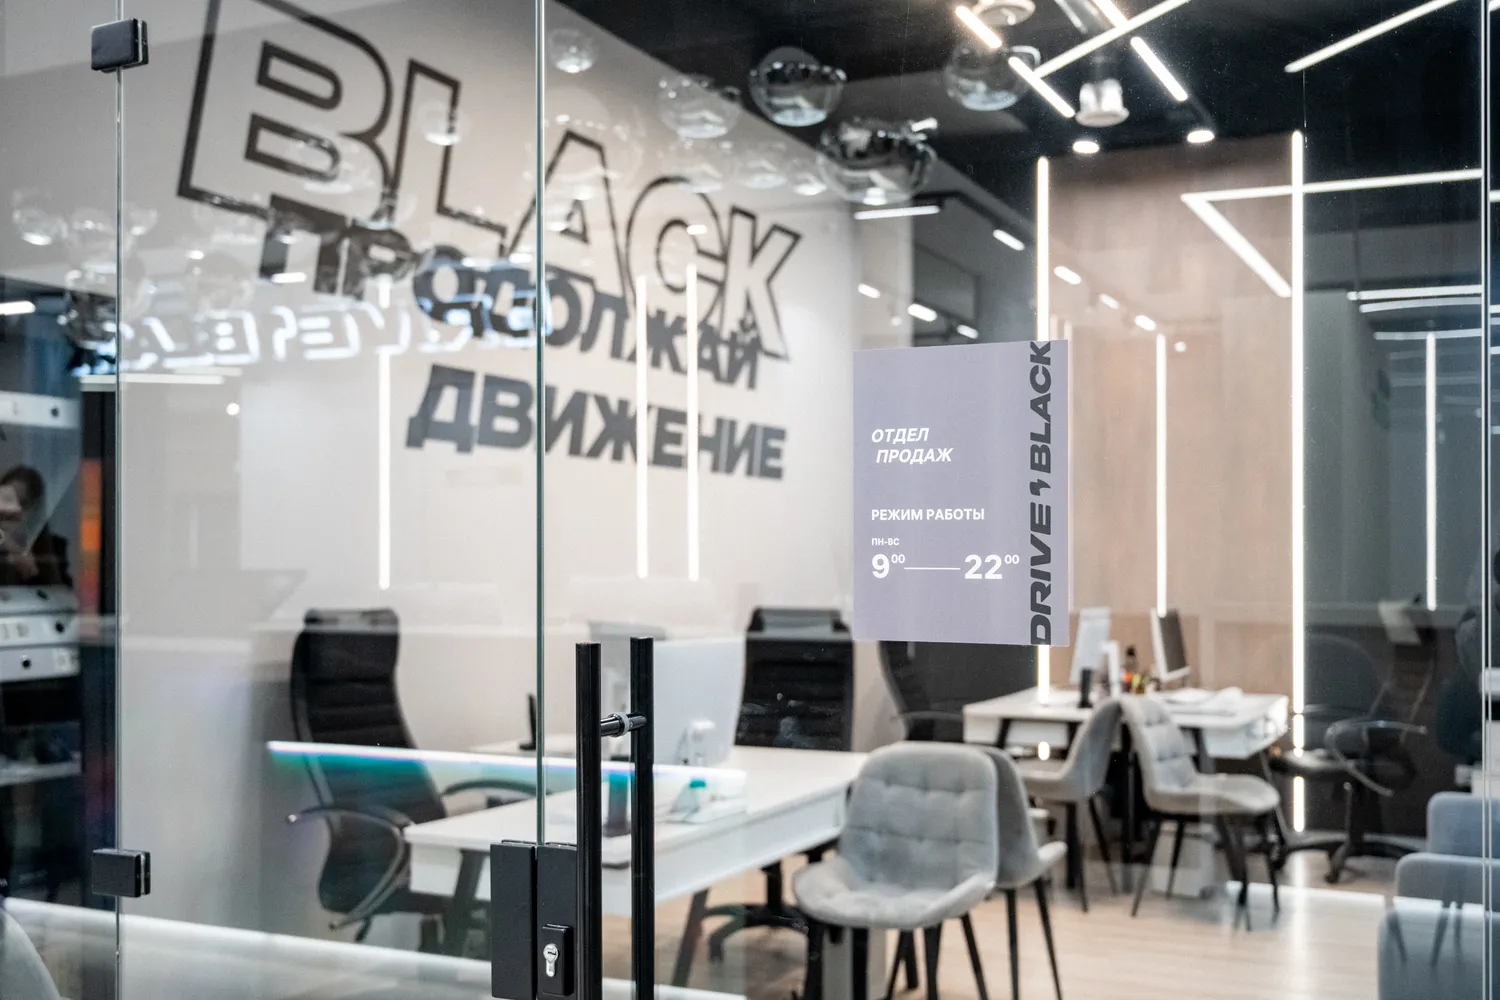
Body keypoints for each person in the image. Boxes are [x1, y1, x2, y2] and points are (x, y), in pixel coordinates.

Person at [0, 467, 70, 589]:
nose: (13, 510)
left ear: (36, 513)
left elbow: (58, 593)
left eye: (23, 503)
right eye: (7, 500)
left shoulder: (51, 551)